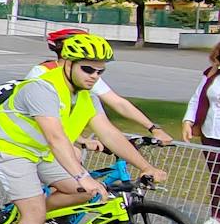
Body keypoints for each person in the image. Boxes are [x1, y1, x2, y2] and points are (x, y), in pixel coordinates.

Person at [0, 33, 166, 224]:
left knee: (83, 194)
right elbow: (56, 137)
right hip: (7, 149)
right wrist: (83, 176)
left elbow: (110, 134)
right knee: (35, 209)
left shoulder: (86, 95)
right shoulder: (42, 87)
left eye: (100, 71)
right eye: (87, 69)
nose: (94, 76)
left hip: (40, 151)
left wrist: (146, 166)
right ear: (67, 62)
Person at [26, 28, 174, 144]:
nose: (94, 74)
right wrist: (78, 141)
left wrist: (153, 128)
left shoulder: (86, 76)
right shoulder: (41, 73)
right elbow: (42, 116)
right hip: (33, 142)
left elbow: (119, 103)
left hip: (58, 142)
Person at [183, 41, 220, 224]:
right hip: (211, 133)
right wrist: (188, 121)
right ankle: (216, 217)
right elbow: (197, 98)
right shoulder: (211, 74)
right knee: (216, 177)